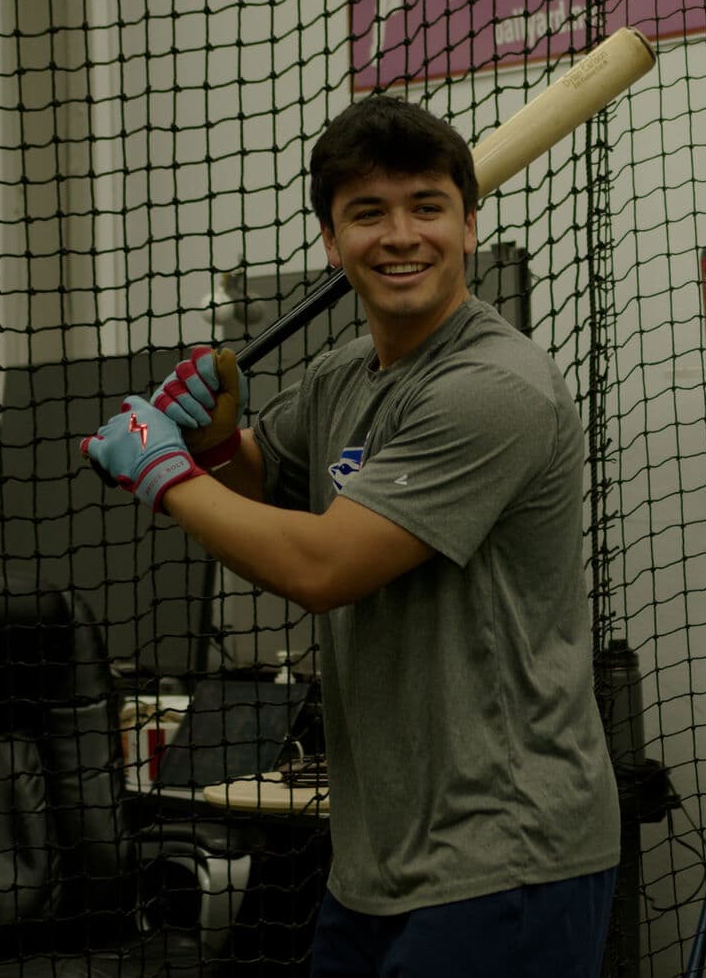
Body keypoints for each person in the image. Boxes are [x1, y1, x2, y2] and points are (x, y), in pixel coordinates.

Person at [80, 95, 620, 976]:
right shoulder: (344, 375)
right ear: (333, 243)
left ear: (469, 226)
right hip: (377, 863)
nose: (401, 236)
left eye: (427, 208)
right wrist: (212, 438)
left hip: (507, 855)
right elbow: (260, 482)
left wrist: (161, 471)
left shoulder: (496, 387)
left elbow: (322, 564)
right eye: (368, 214)